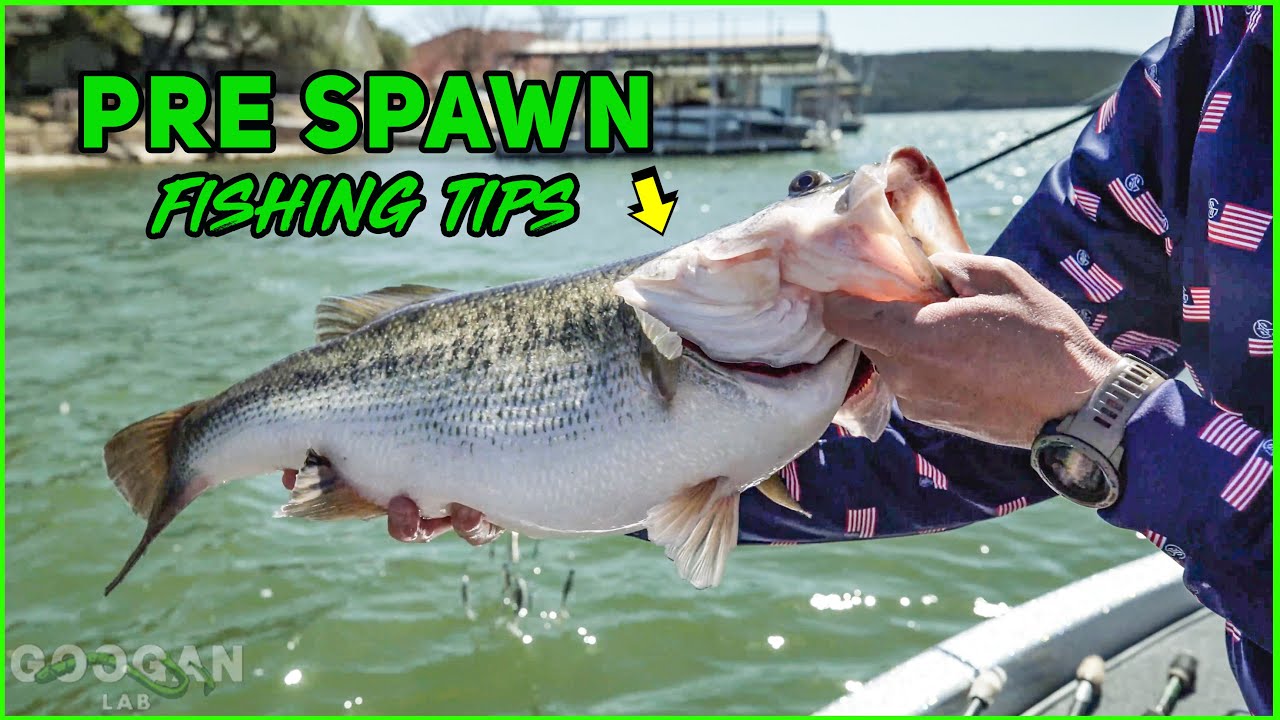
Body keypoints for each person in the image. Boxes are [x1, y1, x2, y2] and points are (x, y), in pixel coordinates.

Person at [356, 5, 1272, 714]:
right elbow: (954, 436)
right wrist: (531, 460)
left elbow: (1063, 399)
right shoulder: (1213, 53)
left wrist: (1111, 420)